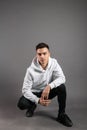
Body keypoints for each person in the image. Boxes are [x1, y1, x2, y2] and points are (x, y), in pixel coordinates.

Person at [17, 42, 73, 127]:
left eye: (44, 53)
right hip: (34, 93)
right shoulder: (30, 70)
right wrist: (37, 100)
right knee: (21, 104)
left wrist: (49, 86)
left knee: (61, 87)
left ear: (49, 54)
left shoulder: (54, 63)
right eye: (39, 54)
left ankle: (61, 115)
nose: (42, 56)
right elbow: (25, 90)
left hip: (47, 92)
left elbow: (62, 78)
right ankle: (32, 106)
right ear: (37, 55)